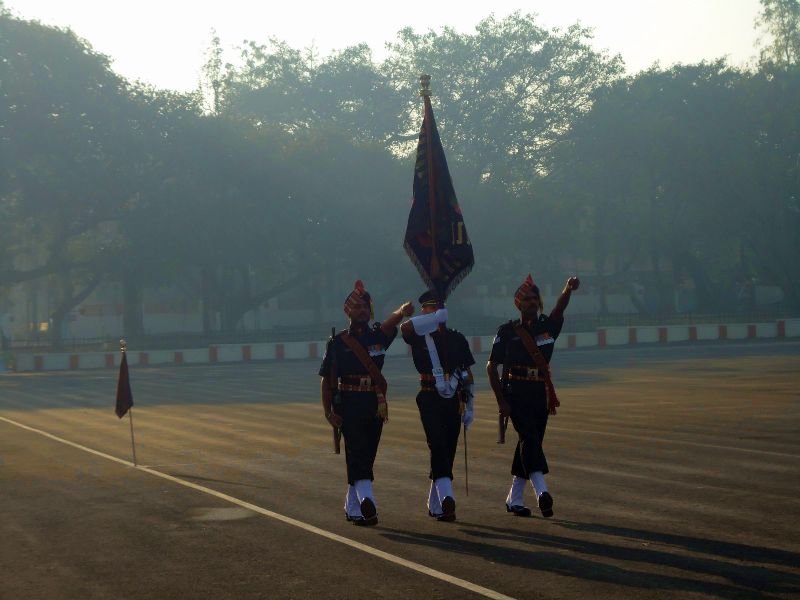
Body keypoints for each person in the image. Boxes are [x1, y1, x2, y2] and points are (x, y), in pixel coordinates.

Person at [319, 280, 413, 526]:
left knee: (367, 453)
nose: (363, 311)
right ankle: (367, 500)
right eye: (358, 307)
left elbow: (391, 324)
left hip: (375, 402)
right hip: (348, 402)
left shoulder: (378, 336)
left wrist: (402, 311)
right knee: (358, 449)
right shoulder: (337, 343)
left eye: (366, 307)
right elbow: (326, 380)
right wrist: (328, 412)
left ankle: (353, 506)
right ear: (348, 311)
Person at [486, 274, 580, 518]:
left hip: (540, 391)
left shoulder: (548, 327)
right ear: (518, 303)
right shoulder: (506, 331)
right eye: (525, 299)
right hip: (516, 391)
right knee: (529, 437)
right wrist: (501, 401)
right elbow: (491, 366)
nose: (530, 302)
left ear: (539, 303)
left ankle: (514, 498)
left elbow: (559, 308)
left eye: (534, 298)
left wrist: (568, 288)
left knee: (531, 442)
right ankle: (542, 493)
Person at [401, 290, 475, 522]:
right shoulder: (419, 336)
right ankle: (447, 498)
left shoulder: (456, 338)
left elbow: (467, 372)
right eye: (429, 309)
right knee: (437, 444)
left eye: (437, 309)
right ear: (424, 312)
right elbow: (405, 328)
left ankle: (437, 503)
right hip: (429, 395)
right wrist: (432, 320)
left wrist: (470, 404)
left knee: (448, 447)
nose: (433, 312)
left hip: (453, 397)